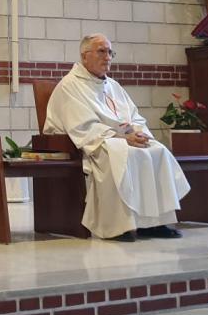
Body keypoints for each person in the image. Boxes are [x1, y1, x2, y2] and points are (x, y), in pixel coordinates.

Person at [43, 34, 191, 241]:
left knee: (157, 151)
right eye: (101, 51)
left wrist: (138, 134)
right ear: (85, 56)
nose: (108, 57)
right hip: (90, 142)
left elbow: (134, 116)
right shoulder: (70, 85)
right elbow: (82, 125)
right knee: (119, 154)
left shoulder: (113, 86)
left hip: (119, 138)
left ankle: (153, 223)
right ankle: (117, 226)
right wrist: (122, 138)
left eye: (110, 52)